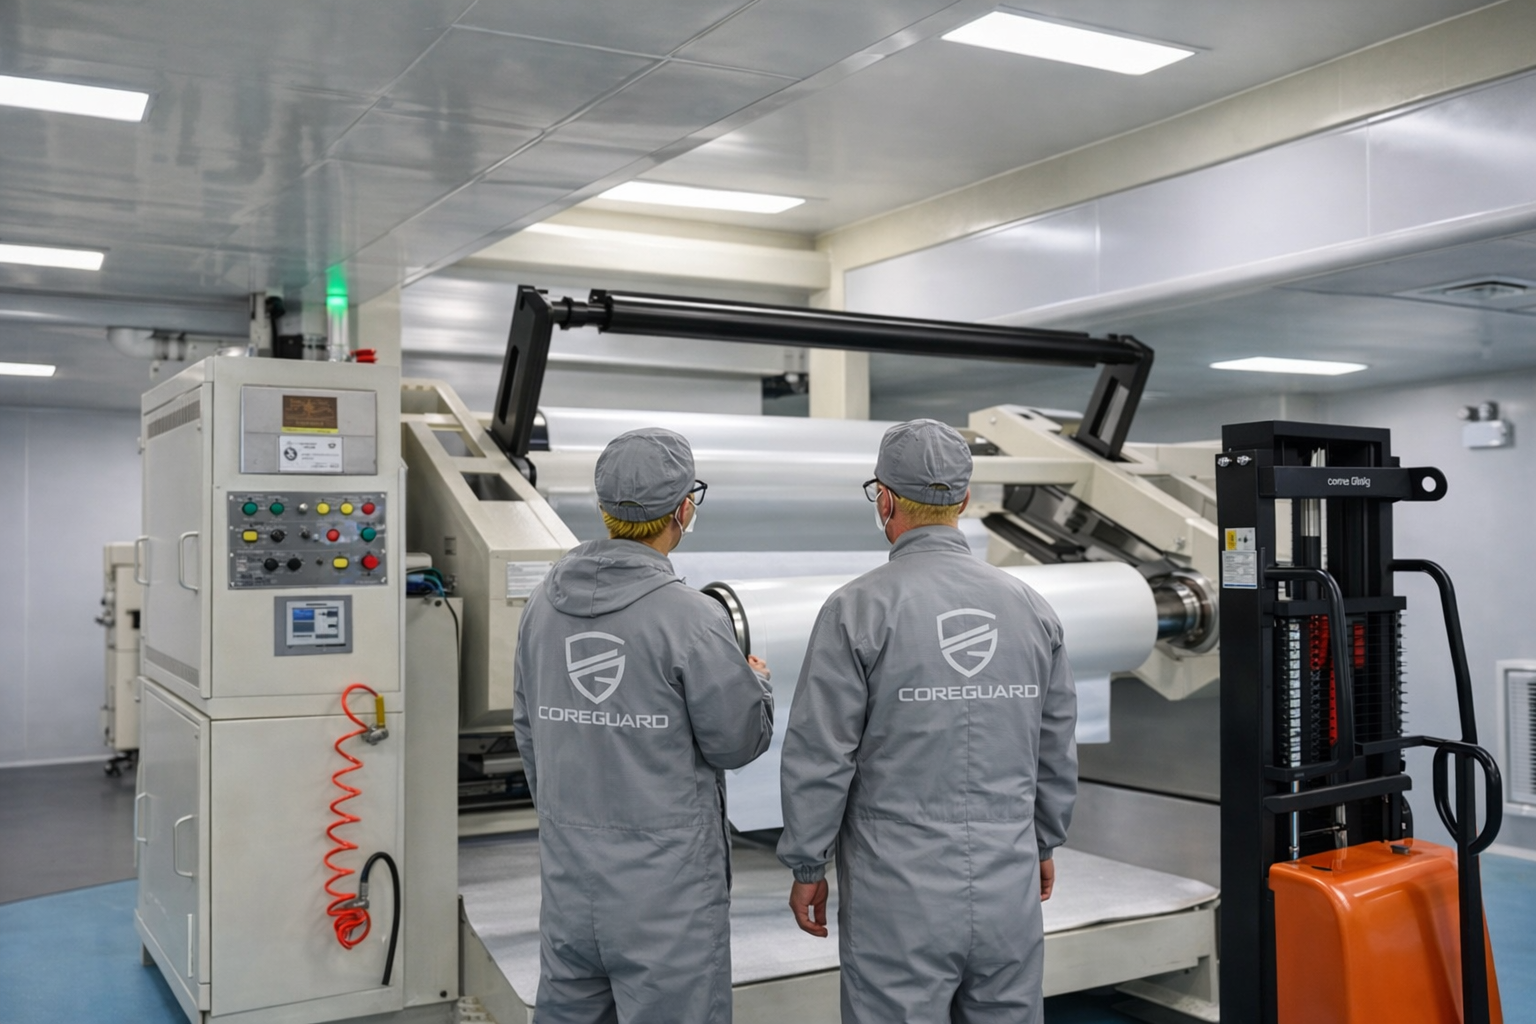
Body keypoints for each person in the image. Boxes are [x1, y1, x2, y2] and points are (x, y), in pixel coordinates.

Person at [776, 418, 1078, 1024]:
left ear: (884, 499)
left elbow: (821, 752)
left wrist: (809, 864)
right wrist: (1043, 840)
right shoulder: (1030, 608)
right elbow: (1054, 743)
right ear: (963, 501)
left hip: (897, 892)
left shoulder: (855, 609)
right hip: (1006, 884)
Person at [513, 426, 774, 1024]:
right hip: (667, 895)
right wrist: (753, 680)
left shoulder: (542, 606)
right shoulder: (693, 617)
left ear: (604, 508)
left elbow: (530, 734)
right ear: (684, 509)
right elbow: (735, 742)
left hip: (570, 880)